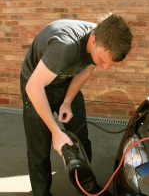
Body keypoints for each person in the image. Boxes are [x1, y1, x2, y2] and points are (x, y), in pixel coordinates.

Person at [20, 14, 133, 196]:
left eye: (109, 63)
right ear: (93, 40)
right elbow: (34, 87)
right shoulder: (65, 47)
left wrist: (67, 102)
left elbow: (86, 69)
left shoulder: (104, 37)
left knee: (81, 137)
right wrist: (56, 132)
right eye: (102, 60)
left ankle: (86, 186)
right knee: (39, 147)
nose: (105, 67)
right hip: (38, 83)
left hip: (66, 80)